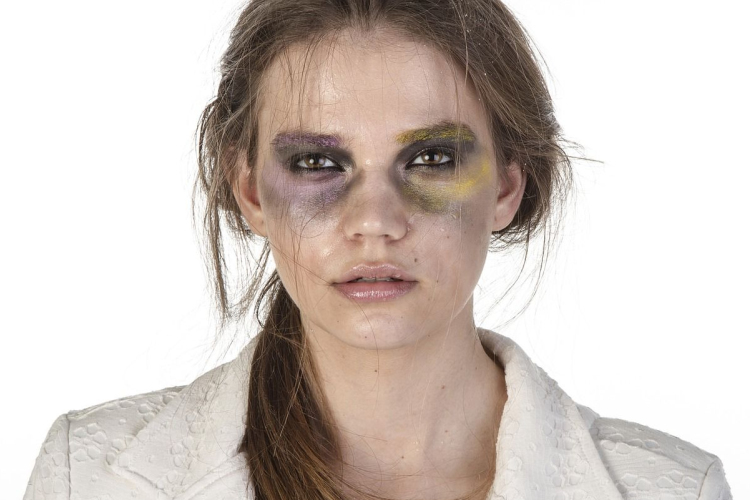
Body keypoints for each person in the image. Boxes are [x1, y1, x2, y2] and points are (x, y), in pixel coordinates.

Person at [22, 0, 734, 499]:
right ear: (250, 192)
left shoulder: (674, 490)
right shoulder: (87, 479)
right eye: (316, 163)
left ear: (507, 187)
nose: (374, 222)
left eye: (430, 159)